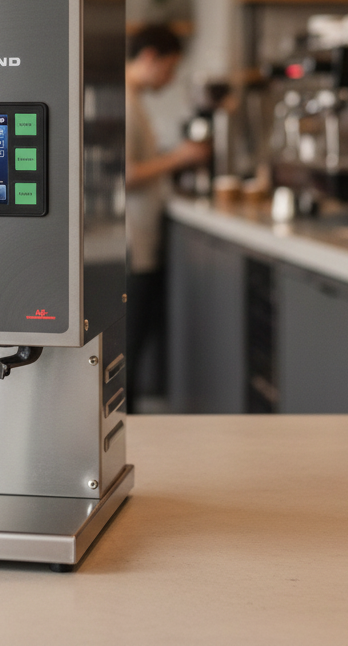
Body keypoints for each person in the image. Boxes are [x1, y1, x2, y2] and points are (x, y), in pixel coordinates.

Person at [124, 25, 209, 412]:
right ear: (149, 58)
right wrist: (181, 157)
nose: (170, 78)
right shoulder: (123, 102)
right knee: (128, 349)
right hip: (130, 244)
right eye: (169, 67)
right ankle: (128, 428)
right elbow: (123, 173)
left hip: (140, 241)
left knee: (135, 347)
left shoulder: (133, 100)